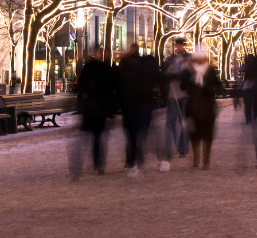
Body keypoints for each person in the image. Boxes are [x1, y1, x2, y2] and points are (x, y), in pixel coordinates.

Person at [70, 45, 114, 179]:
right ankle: (98, 163)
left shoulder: (89, 68)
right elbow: (110, 87)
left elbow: (80, 87)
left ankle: (94, 163)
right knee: (98, 137)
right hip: (100, 106)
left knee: (91, 137)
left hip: (92, 106)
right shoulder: (105, 68)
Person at [118, 43, 160, 177]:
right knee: (136, 133)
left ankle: (133, 159)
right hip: (136, 103)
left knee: (133, 134)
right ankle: (134, 159)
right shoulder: (136, 67)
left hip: (133, 104)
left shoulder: (128, 66)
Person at [183, 47, 223, 169]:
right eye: (198, 58)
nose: (200, 60)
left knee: (207, 133)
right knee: (194, 133)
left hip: (207, 102)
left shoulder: (210, 70)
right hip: (192, 101)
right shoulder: (189, 70)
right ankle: (196, 159)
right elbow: (183, 84)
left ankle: (206, 159)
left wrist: (212, 90)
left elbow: (218, 84)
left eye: (202, 58)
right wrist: (191, 87)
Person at [160, 38, 190, 172]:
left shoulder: (188, 58)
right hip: (173, 94)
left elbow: (189, 74)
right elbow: (164, 74)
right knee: (171, 122)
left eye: (180, 45)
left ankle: (182, 147)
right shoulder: (170, 60)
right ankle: (174, 147)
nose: (178, 47)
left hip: (184, 93)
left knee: (183, 121)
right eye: (177, 44)